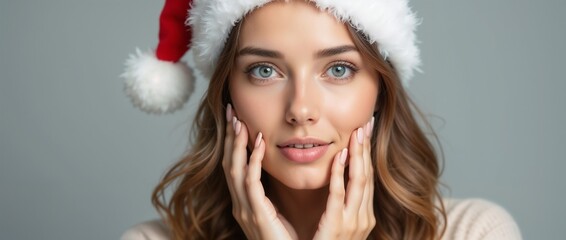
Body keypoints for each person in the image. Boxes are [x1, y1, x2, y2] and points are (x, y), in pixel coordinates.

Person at [121, 0, 522, 239]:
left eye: (339, 69)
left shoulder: (475, 232)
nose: (301, 109)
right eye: (264, 70)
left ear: (380, 90)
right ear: (228, 92)